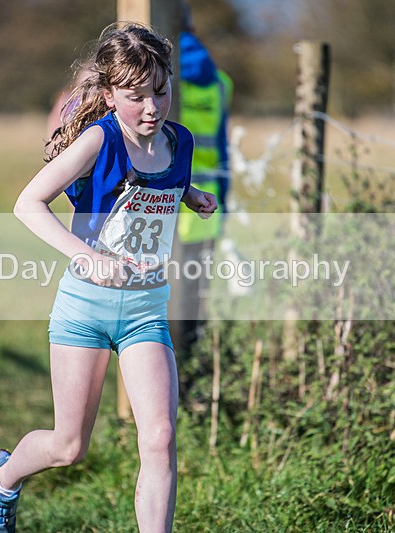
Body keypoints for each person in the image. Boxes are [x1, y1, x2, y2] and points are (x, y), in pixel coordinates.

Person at [0, 23, 217, 533]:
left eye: (160, 91)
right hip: (85, 310)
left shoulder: (180, 142)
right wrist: (85, 255)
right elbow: (28, 204)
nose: (152, 107)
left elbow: (160, 179)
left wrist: (188, 193)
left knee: (159, 439)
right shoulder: (98, 140)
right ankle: (2, 478)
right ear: (109, 95)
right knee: (69, 447)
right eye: (135, 97)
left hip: (146, 313)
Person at [170, 14, 233, 364]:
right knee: (196, 297)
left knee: (157, 296)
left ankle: (170, 375)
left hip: (161, 200)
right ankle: (191, 369)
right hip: (206, 202)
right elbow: (223, 149)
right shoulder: (220, 82)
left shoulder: (156, 77)